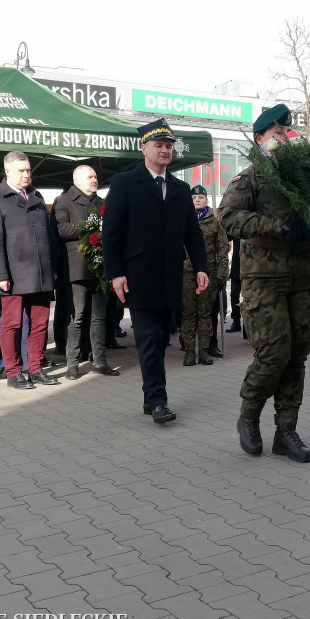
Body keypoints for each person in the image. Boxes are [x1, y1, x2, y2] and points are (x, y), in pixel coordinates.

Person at [219, 104, 310, 463]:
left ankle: (286, 431)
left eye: (286, 130)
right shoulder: (250, 178)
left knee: (297, 356)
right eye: (275, 131)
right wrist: (275, 227)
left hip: (305, 275)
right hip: (264, 278)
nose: (283, 136)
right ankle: (249, 416)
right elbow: (228, 216)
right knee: (273, 353)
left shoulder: (306, 178)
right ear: (260, 139)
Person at [102, 117, 208, 424]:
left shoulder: (179, 187)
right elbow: (112, 232)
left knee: (162, 339)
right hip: (139, 276)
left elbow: (193, 233)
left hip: (170, 277)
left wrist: (201, 267)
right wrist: (116, 273)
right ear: (143, 147)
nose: (164, 151)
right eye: (159, 145)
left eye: (168, 146)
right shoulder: (125, 183)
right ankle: (158, 400)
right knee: (148, 338)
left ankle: (152, 398)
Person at [0, 151, 58, 390]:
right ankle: (13, 372)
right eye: (21, 171)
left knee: (40, 324)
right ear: (7, 172)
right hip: (13, 275)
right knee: (11, 324)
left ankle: (34, 368)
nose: (26, 174)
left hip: (41, 273)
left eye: (28, 169)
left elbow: (48, 237)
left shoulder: (36, 195)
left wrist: (52, 268)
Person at [52, 165, 118, 380]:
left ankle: (100, 361)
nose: (94, 180)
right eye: (90, 177)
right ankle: (73, 365)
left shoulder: (102, 203)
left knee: (99, 318)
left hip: (100, 268)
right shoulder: (64, 201)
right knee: (77, 317)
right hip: (76, 268)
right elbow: (62, 229)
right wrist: (92, 228)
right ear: (77, 180)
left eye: (96, 176)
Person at [181, 185, 229, 366]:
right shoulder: (184, 219)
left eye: (200, 197)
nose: (197, 200)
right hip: (186, 271)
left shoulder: (215, 222)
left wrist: (222, 274)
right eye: (194, 198)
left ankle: (203, 350)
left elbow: (223, 249)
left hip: (209, 272)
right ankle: (189, 351)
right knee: (188, 313)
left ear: (206, 200)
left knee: (205, 313)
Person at [225, 238, 242, 333]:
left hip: (249, 269)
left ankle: (248, 326)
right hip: (236, 269)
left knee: (249, 298)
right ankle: (236, 322)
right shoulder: (237, 229)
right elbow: (226, 235)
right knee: (234, 295)